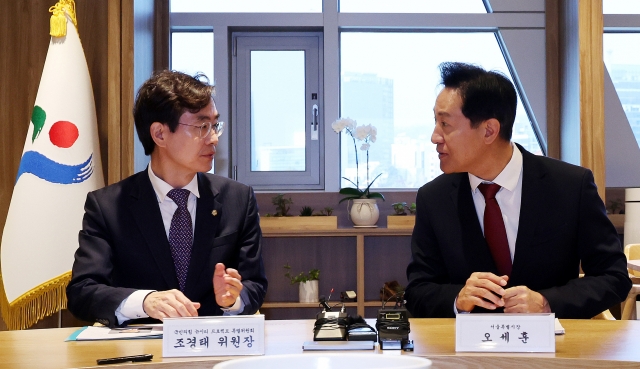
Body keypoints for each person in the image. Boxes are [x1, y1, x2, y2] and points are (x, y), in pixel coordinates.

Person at [405, 62, 631, 319]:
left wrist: (548, 302)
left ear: (489, 130)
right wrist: (458, 298)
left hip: (553, 350)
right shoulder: (433, 199)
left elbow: (613, 277)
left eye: (445, 124)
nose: (435, 136)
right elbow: (417, 291)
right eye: (436, 122)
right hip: (467, 353)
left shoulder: (570, 186)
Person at [67, 70, 267, 327]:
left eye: (214, 125)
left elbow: (255, 284)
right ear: (159, 134)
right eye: (202, 126)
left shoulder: (238, 200)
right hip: (141, 356)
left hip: (212, 350)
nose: (214, 138)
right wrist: (145, 301)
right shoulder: (108, 206)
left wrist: (232, 300)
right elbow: (82, 291)